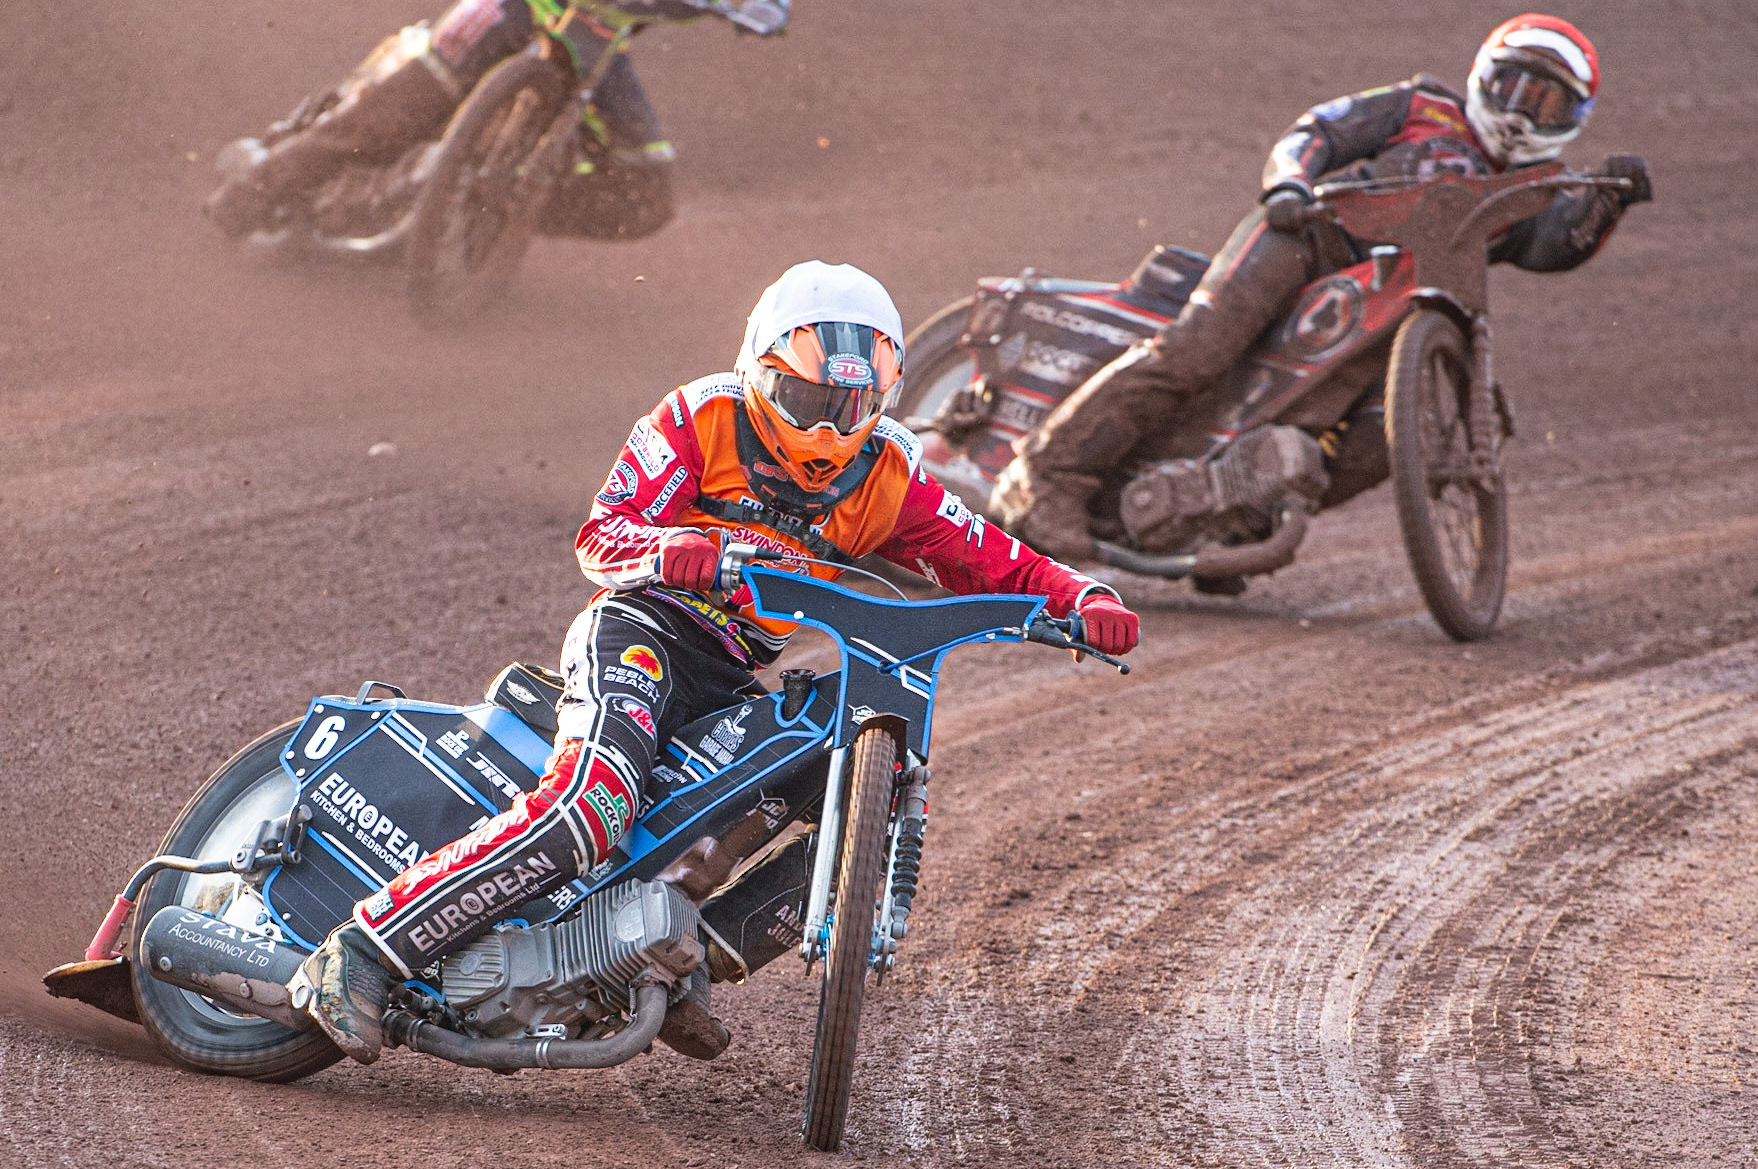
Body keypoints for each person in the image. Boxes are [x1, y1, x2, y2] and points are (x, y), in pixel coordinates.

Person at [287, 260, 1142, 1064]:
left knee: (846, 795)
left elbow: (997, 558)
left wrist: (1082, 601)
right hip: (645, 628)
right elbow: (601, 533)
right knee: (592, 807)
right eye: (804, 399)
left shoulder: (891, 473)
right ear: (760, 371)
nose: (825, 430)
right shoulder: (701, 417)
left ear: (883, 398)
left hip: (739, 670)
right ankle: (363, 948)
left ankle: (683, 955)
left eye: (850, 408)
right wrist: (671, 548)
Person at [992, 13, 1653, 562]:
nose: (1520, 113)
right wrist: (1289, 186)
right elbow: (1318, 130)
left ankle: (1223, 517)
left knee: (1380, 441)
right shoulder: (1421, 105)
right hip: (1308, 241)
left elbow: (1548, 246)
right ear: (1484, 77)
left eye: (1546, 103)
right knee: (1200, 347)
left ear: (1576, 116)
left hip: (1402, 307)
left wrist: (1606, 207)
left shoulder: (1529, 193)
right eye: (1513, 88)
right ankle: (1046, 477)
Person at [204, 0, 789, 241]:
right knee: (388, 118)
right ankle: (251, 192)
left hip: (597, 49)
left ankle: (479, 213)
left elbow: (769, 10)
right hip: (515, 10)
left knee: (647, 196)